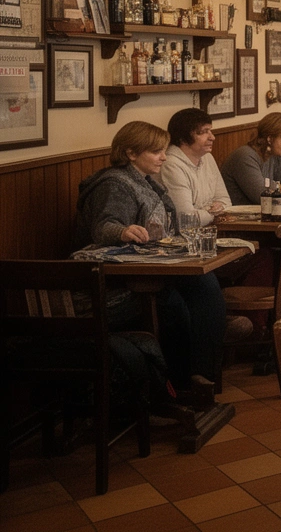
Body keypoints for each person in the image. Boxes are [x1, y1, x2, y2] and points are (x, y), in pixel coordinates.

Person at [75, 121, 246, 388]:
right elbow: (104, 226)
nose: (164, 157)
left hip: (147, 267)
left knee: (205, 284)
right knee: (175, 300)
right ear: (131, 153)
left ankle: (202, 372)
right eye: (157, 152)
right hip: (112, 283)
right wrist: (123, 231)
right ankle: (183, 380)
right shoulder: (115, 184)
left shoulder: (144, 181)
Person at [159, 108, 231, 226]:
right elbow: (187, 219)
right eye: (203, 132)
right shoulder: (171, 165)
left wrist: (208, 211)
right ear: (183, 138)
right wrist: (213, 212)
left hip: (209, 229)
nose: (212, 137)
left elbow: (225, 200)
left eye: (210, 130)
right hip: (182, 234)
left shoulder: (207, 157)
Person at [220, 112, 281, 205]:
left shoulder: (273, 155)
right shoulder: (245, 156)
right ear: (270, 139)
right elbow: (264, 198)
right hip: (239, 213)